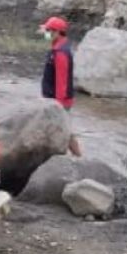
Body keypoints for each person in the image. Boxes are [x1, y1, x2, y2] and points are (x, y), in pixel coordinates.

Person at [41, 16, 82, 157]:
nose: (45, 33)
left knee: (66, 132)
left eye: (48, 30)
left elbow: (62, 82)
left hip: (60, 101)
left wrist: (57, 105)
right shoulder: (57, 48)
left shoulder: (60, 53)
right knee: (59, 130)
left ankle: (78, 157)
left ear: (57, 32)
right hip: (54, 99)